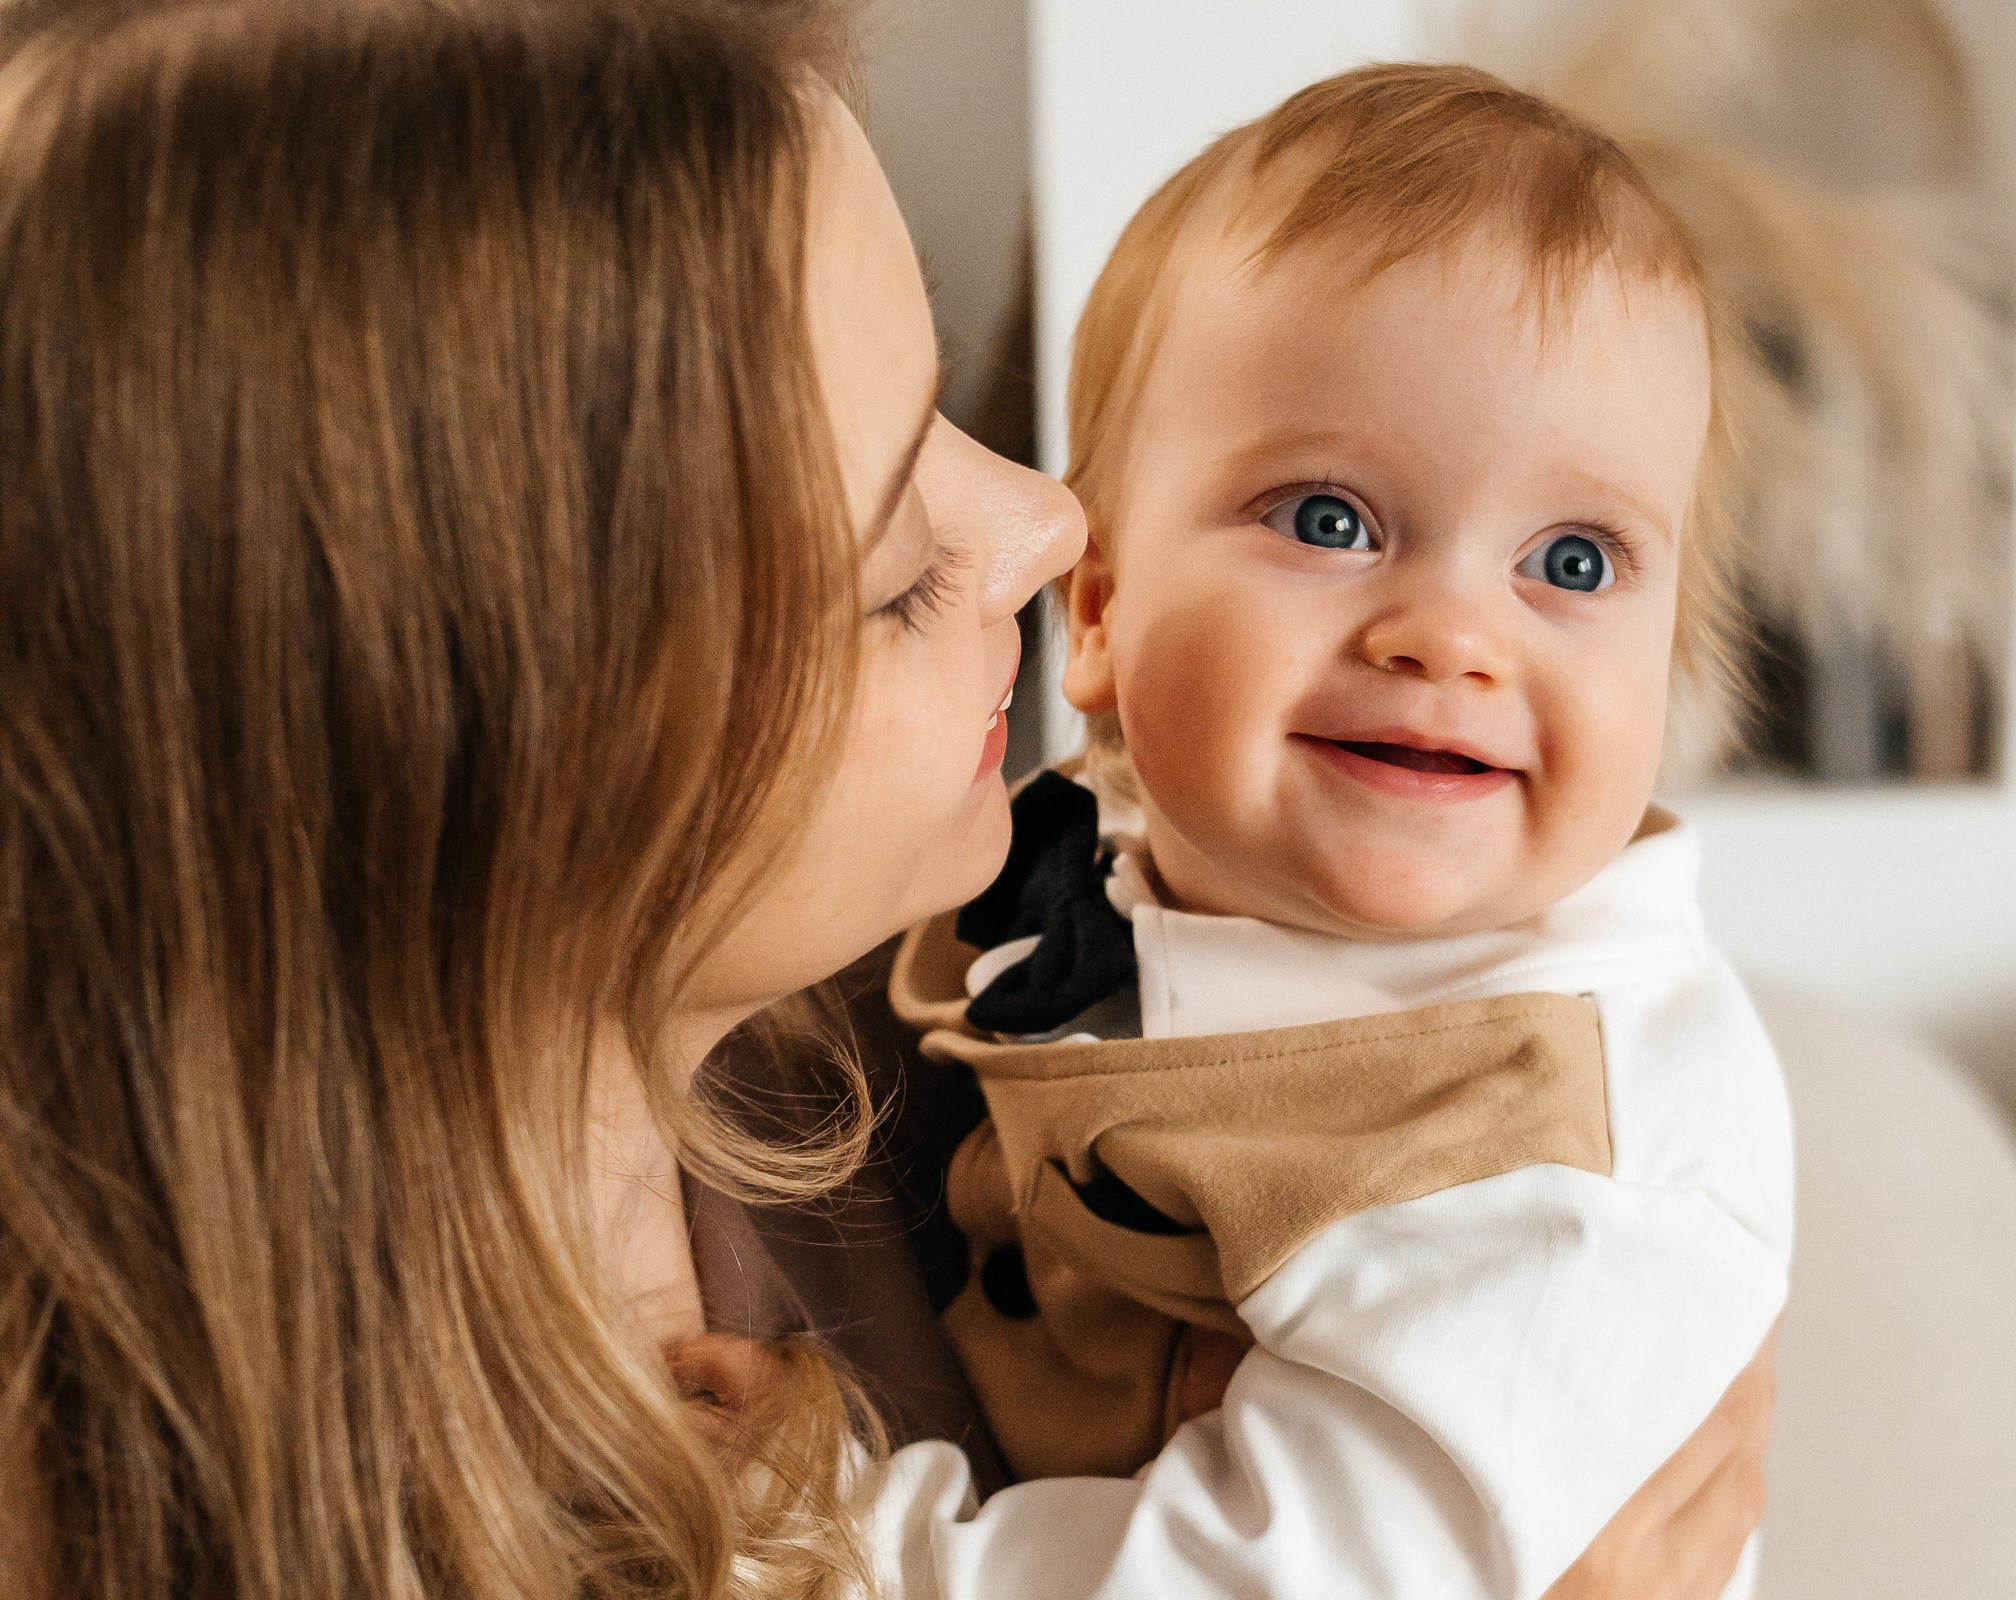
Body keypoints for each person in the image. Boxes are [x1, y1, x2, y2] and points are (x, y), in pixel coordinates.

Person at [0, 3, 1774, 1598]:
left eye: (1576, 560)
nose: (1054, 528)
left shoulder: (1512, 1135)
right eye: (896, 558)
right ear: (523, 747)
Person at [894, 63, 1792, 1597]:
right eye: (1330, 521)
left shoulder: (1548, 1162)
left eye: (1573, 561)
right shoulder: (1053, 856)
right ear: (1100, 608)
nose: (1451, 636)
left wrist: (835, 1533)